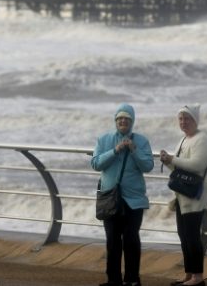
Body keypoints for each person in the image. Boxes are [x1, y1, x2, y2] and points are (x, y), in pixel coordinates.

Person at [91, 103, 154, 286]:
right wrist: (115, 150)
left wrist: (134, 150)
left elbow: (148, 166)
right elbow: (95, 164)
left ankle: (132, 280)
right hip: (110, 198)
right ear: (115, 121)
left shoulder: (141, 141)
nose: (123, 121)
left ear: (132, 121)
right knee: (112, 240)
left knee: (131, 239)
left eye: (127, 118)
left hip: (134, 200)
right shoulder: (104, 140)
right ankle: (113, 280)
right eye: (120, 118)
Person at [160, 104, 207, 286]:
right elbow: (179, 167)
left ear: (195, 120)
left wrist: (173, 159)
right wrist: (168, 161)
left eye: (187, 118)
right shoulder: (183, 140)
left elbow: (197, 165)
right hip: (182, 195)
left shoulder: (202, 139)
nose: (183, 122)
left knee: (192, 236)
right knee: (183, 236)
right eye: (181, 119)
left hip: (195, 195)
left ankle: (198, 277)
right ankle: (189, 274)